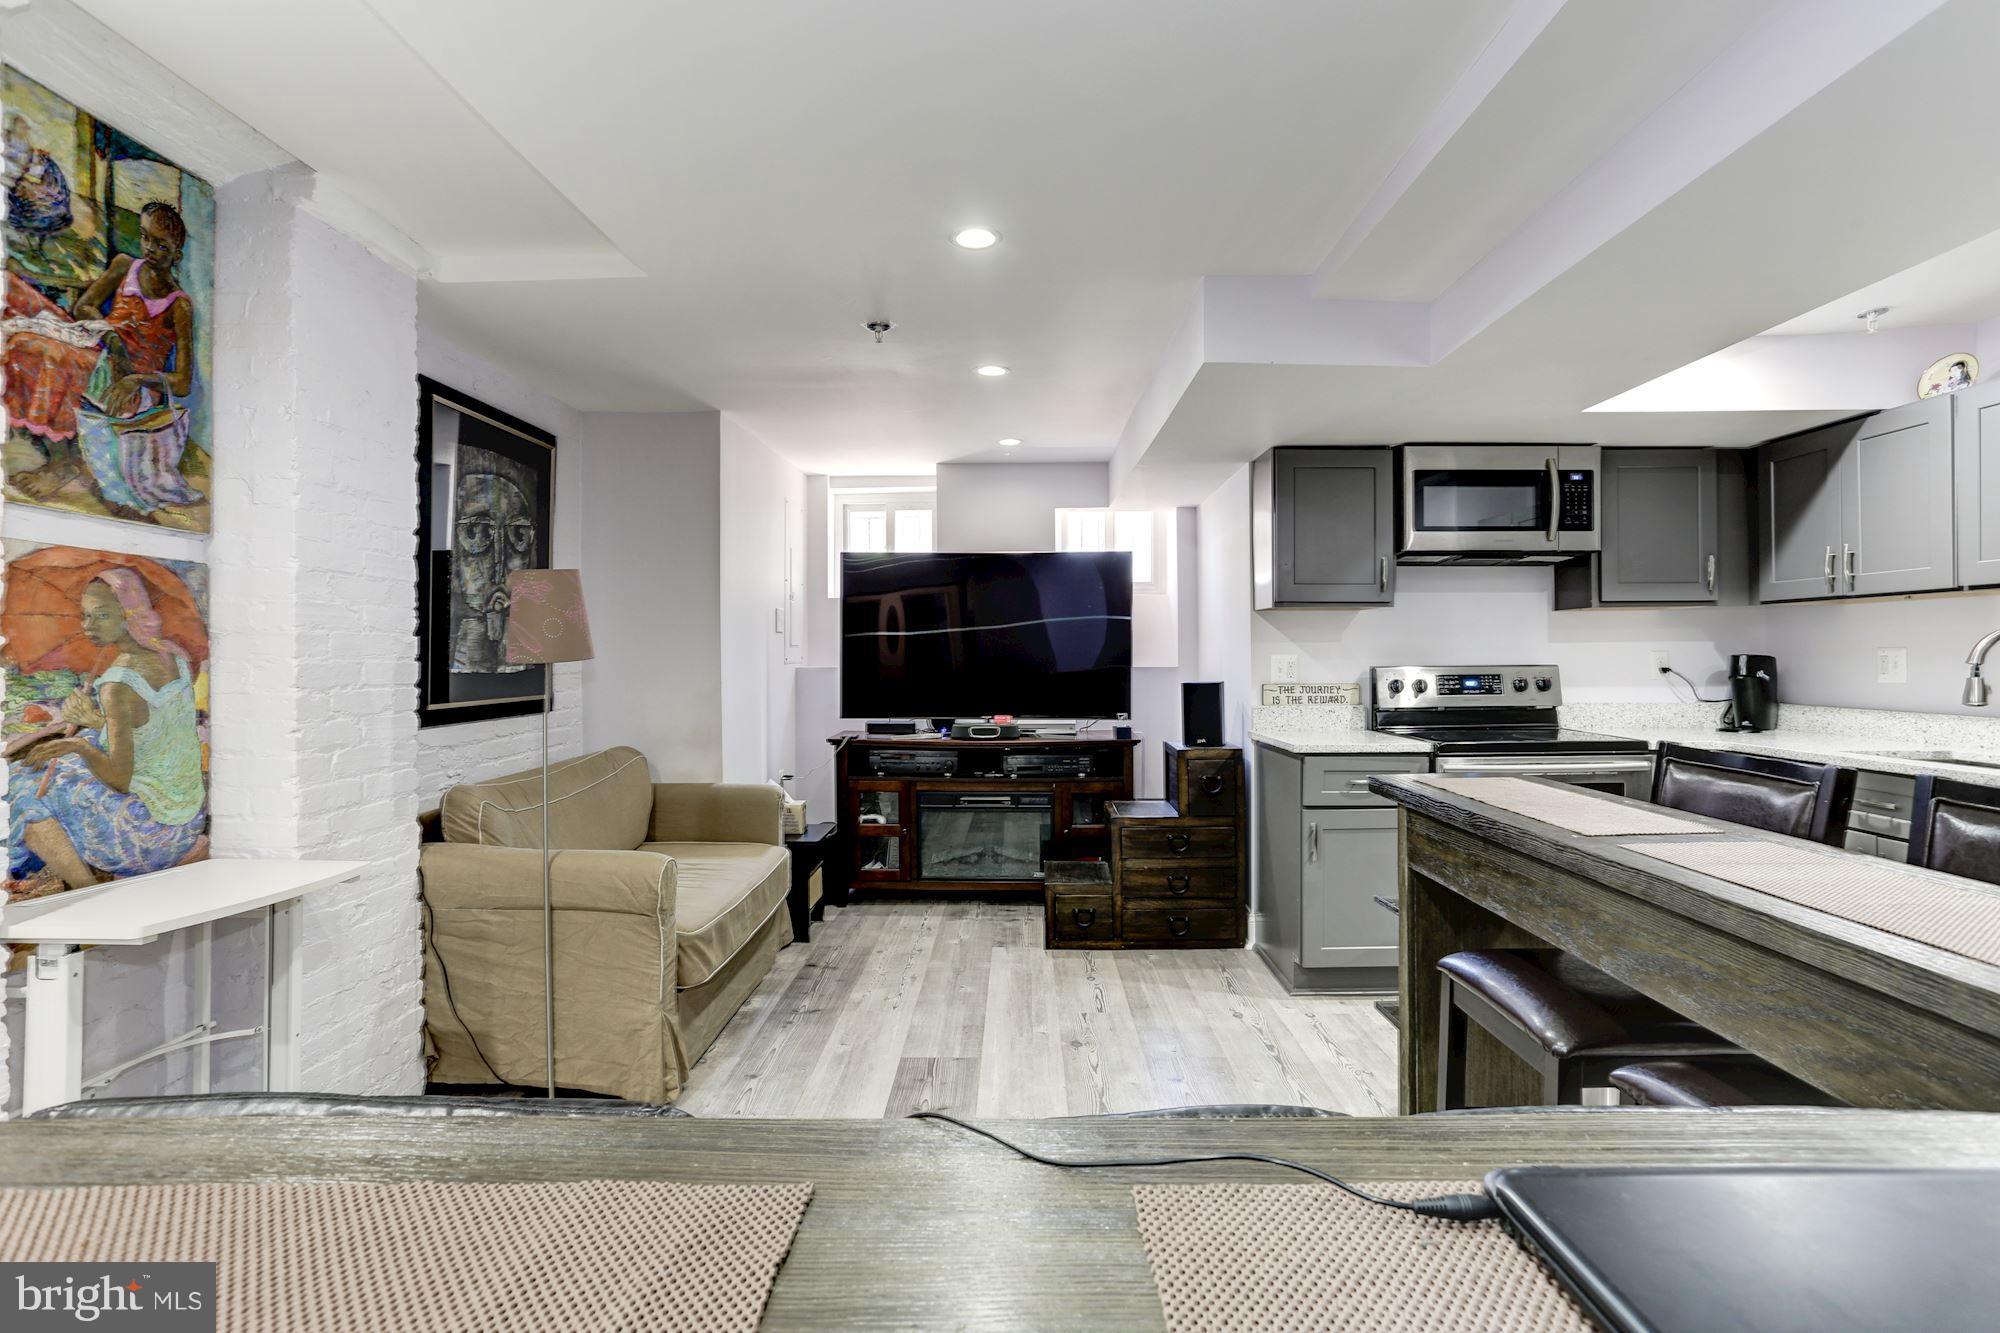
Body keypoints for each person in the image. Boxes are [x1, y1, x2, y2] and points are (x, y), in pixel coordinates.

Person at [8, 570, 206, 892]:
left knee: (20, 784)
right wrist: (94, 721)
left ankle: (84, 888)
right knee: (73, 749)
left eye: (101, 615)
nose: (89, 626)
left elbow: (119, 779)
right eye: (85, 616)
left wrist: (77, 745)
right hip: (187, 819)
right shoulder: (173, 655)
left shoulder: (117, 683)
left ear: (129, 614)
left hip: (148, 835)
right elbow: (157, 733)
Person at [4, 200, 201, 509]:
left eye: (161, 246)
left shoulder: (179, 305)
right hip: (98, 343)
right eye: (145, 237)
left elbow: (182, 383)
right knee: (15, 293)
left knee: (32, 348)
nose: (149, 248)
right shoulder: (126, 265)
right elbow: (85, 305)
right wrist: (111, 335)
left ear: (177, 254)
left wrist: (135, 378)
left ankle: (62, 463)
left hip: (128, 381)